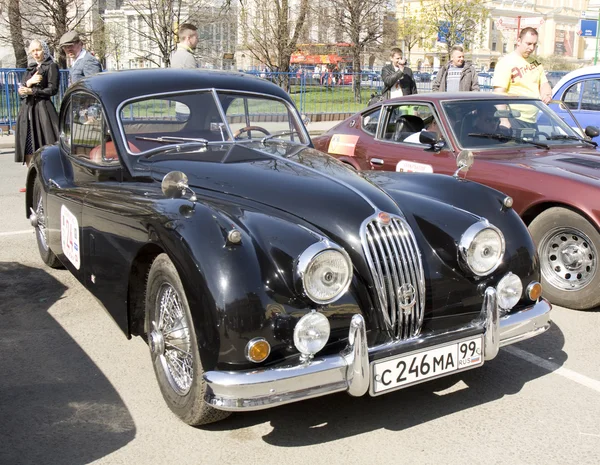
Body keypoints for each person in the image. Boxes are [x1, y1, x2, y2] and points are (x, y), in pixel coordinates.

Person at [15, 39, 60, 173]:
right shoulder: (31, 68)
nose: (35, 53)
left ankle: (47, 176)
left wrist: (32, 90)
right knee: (28, 144)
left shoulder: (51, 66)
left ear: (44, 50)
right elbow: (22, 89)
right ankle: (31, 178)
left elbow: (52, 90)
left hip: (43, 110)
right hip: (27, 111)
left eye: (38, 50)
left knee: (45, 144)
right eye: (33, 51)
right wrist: (28, 84)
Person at [492, 27, 551, 126]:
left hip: (532, 120)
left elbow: (544, 83)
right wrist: (504, 120)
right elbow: (499, 94)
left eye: (534, 44)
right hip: (513, 118)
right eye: (528, 44)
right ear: (519, 41)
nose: (531, 48)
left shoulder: (536, 63)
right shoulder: (506, 62)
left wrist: (547, 94)